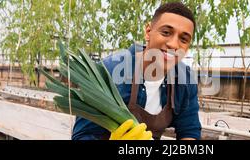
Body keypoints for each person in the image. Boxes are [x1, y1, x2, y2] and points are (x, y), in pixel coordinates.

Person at [72, 2, 201, 140]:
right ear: (148, 32)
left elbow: (189, 132)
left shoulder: (185, 80)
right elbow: (82, 136)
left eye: (183, 39)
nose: (174, 44)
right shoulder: (108, 72)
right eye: (166, 32)